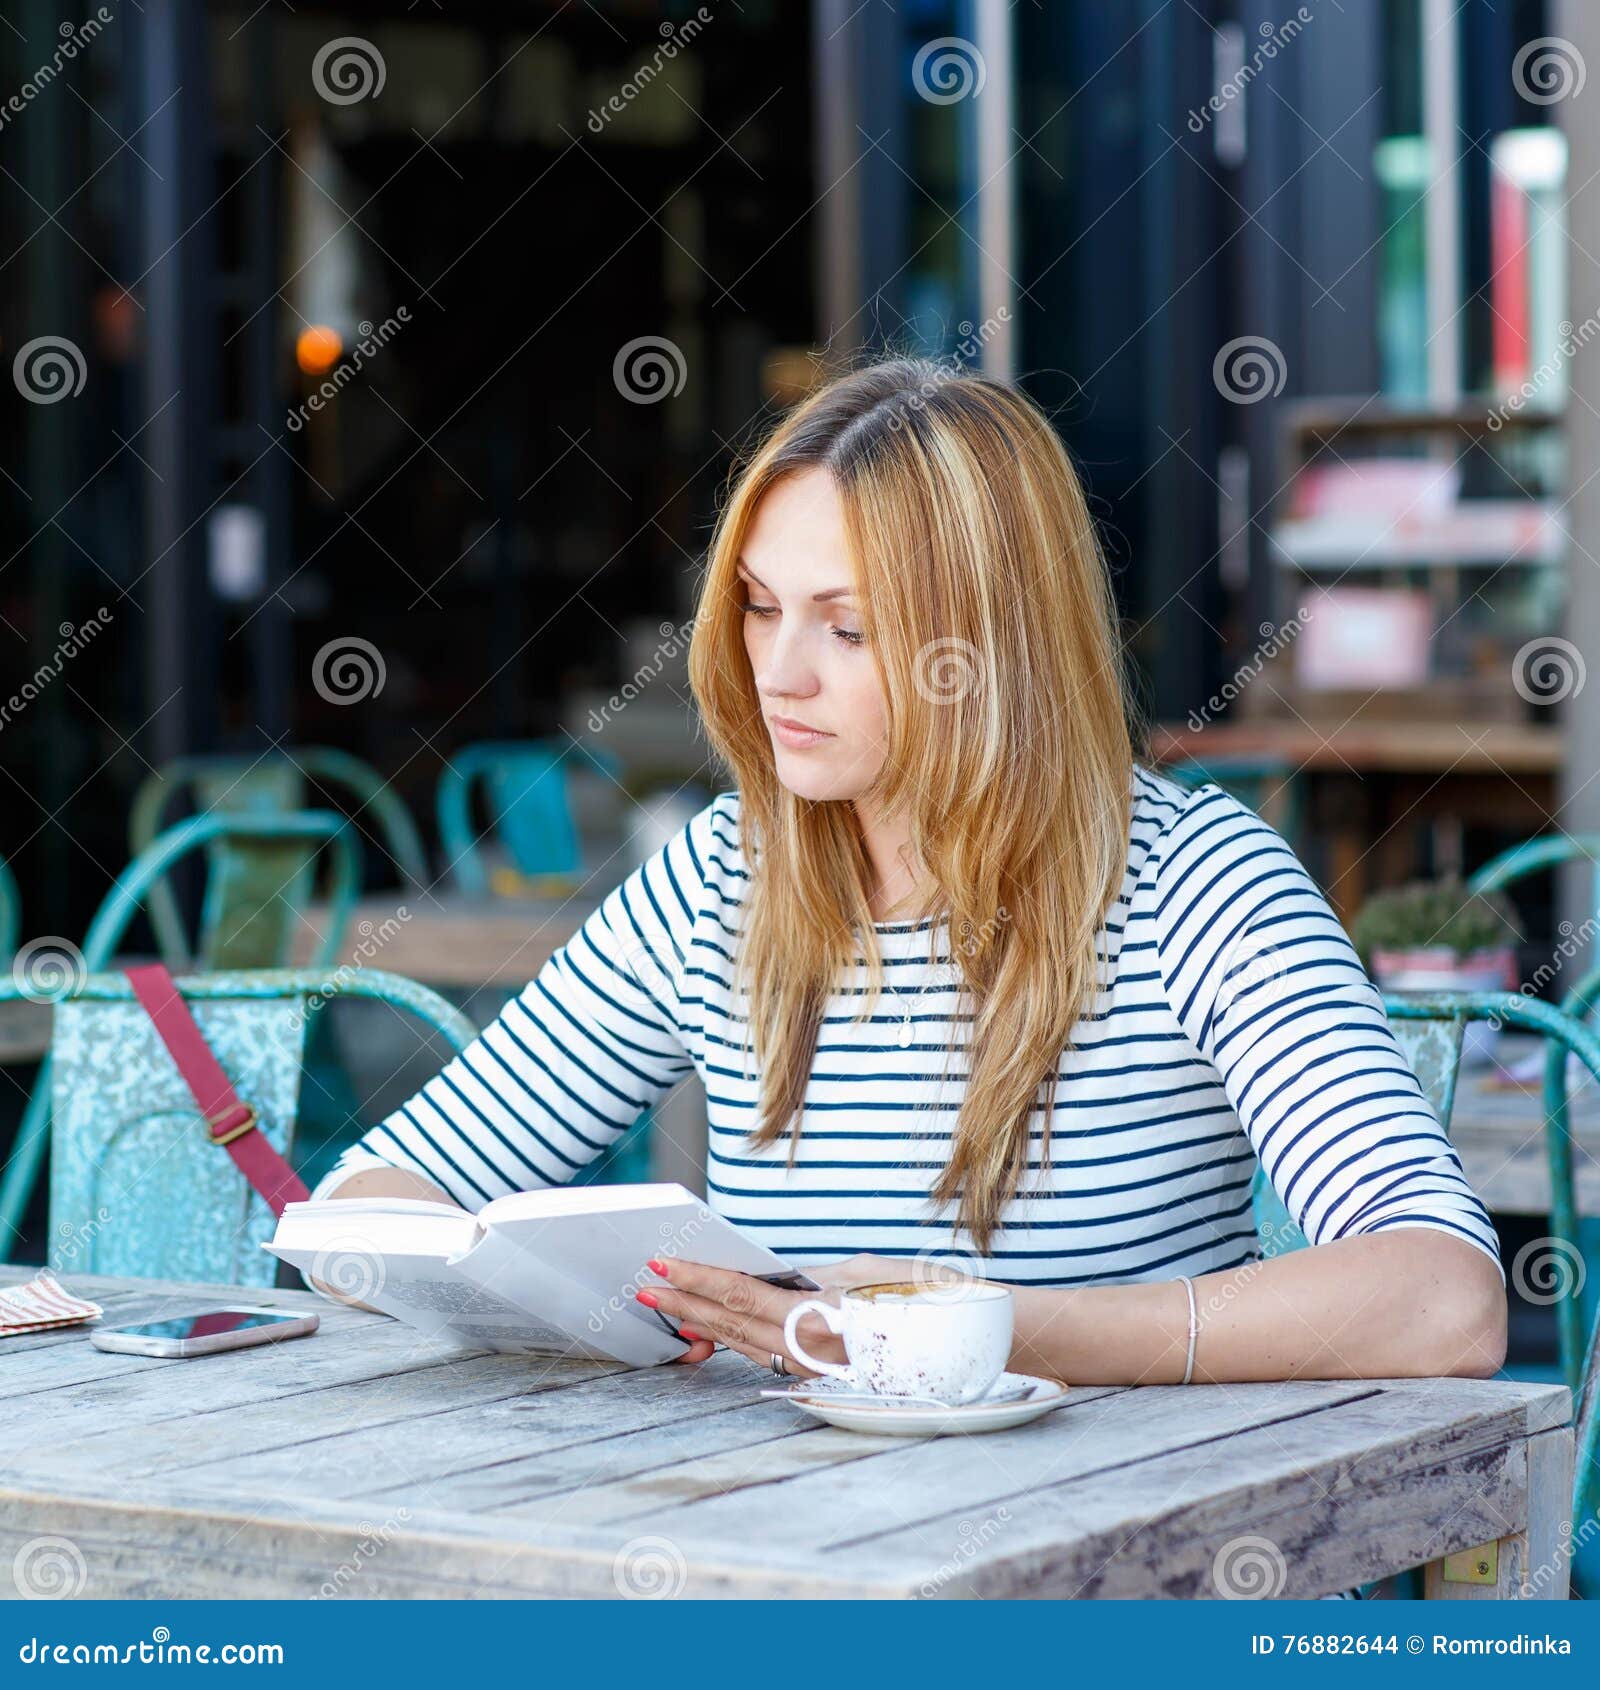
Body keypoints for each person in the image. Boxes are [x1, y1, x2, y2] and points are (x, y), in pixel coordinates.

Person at [308, 356, 1507, 1398]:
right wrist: (585, 1308)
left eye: (847, 626)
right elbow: (364, 1212)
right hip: (795, 1553)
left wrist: (971, 1330)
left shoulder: (1196, 884)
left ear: (989, 644)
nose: (776, 672)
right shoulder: (727, 873)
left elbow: (1446, 1298)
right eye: (761, 607)